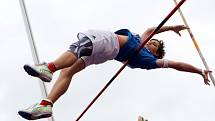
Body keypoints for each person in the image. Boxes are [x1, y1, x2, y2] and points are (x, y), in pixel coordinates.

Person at [18, 25, 211, 120]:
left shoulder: (152, 60)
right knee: (67, 71)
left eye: (155, 44)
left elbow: (177, 64)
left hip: (110, 43)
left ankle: (48, 67)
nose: (152, 42)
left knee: (82, 44)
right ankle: (46, 105)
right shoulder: (142, 42)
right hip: (105, 54)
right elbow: (151, 29)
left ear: (157, 53)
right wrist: (170, 28)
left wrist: (199, 71)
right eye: (153, 40)